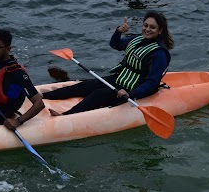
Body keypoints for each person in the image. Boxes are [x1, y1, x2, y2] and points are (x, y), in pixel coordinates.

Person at [45, 11, 173, 116]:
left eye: (152, 27)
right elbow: (115, 44)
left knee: (99, 94)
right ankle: (43, 96)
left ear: (160, 30)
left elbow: (151, 83)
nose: (147, 29)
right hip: (121, 78)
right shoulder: (138, 39)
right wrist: (118, 32)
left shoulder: (159, 54)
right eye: (145, 25)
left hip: (135, 89)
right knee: (87, 85)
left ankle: (66, 115)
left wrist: (130, 94)